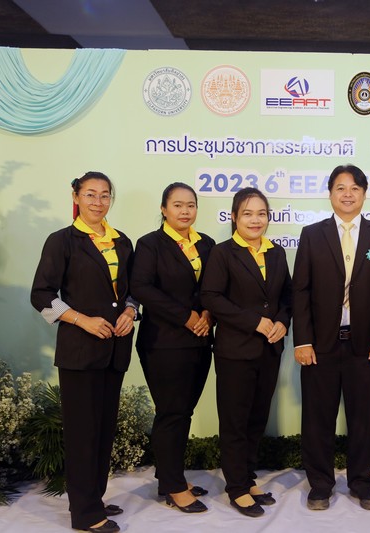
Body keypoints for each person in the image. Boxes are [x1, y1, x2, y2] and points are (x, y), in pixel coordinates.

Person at [31, 171, 137, 533]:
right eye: (90, 194)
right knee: (82, 433)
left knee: (103, 431)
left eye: (105, 195)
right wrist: (81, 320)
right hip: (79, 350)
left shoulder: (122, 241)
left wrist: (130, 311)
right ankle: (85, 514)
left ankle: (94, 498)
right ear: (76, 196)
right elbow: (41, 294)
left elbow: (132, 290)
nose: (98, 202)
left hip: (115, 348)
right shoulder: (62, 240)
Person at [292, 164, 370, 511]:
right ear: (330, 194)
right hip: (320, 346)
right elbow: (300, 291)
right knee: (317, 419)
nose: (348, 194)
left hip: (365, 346)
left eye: (355, 188)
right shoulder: (312, 234)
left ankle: (361, 482)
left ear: (364, 193)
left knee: (363, 419)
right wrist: (302, 340)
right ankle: (320, 484)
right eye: (340, 187)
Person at [200, 187, 292, 518]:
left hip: (269, 350)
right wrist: (256, 322)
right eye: (248, 214)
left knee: (256, 419)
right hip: (235, 350)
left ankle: (248, 478)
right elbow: (211, 297)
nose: (255, 220)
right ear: (234, 217)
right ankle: (236, 488)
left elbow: (287, 297)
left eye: (261, 214)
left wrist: (281, 322)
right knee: (235, 421)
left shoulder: (276, 252)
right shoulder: (223, 253)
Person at [130, 182, 215, 513]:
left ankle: (170, 476)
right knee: (171, 411)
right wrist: (187, 317)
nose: (185, 211)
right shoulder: (150, 244)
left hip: (200, 339)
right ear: (164, 209)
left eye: (190, 205)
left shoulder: (206, 244)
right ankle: (173, 486)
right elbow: (142, 288)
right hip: (163, 342)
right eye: (177, 205)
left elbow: (213, 287)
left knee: (184, 411)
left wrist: (207, 315)